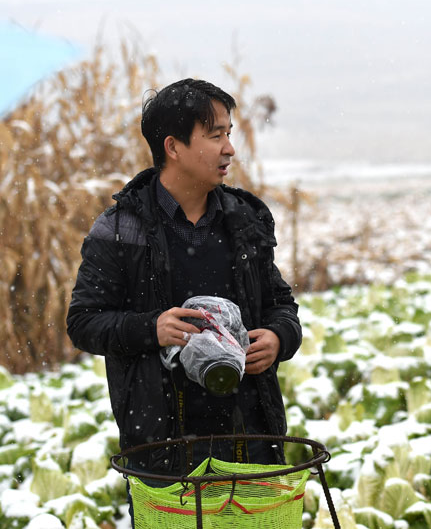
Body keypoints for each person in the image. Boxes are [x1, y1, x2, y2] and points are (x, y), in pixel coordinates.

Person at [67, 78, 301, 474]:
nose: (229, 147)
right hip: (163, 447)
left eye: (228, 133)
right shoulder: (121, 230)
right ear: (173, 147)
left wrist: (279, 337)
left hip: (250, 438)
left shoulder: (245, 220)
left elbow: (281, 304)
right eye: (215, 135)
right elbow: (84, 323)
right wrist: (151, 328)